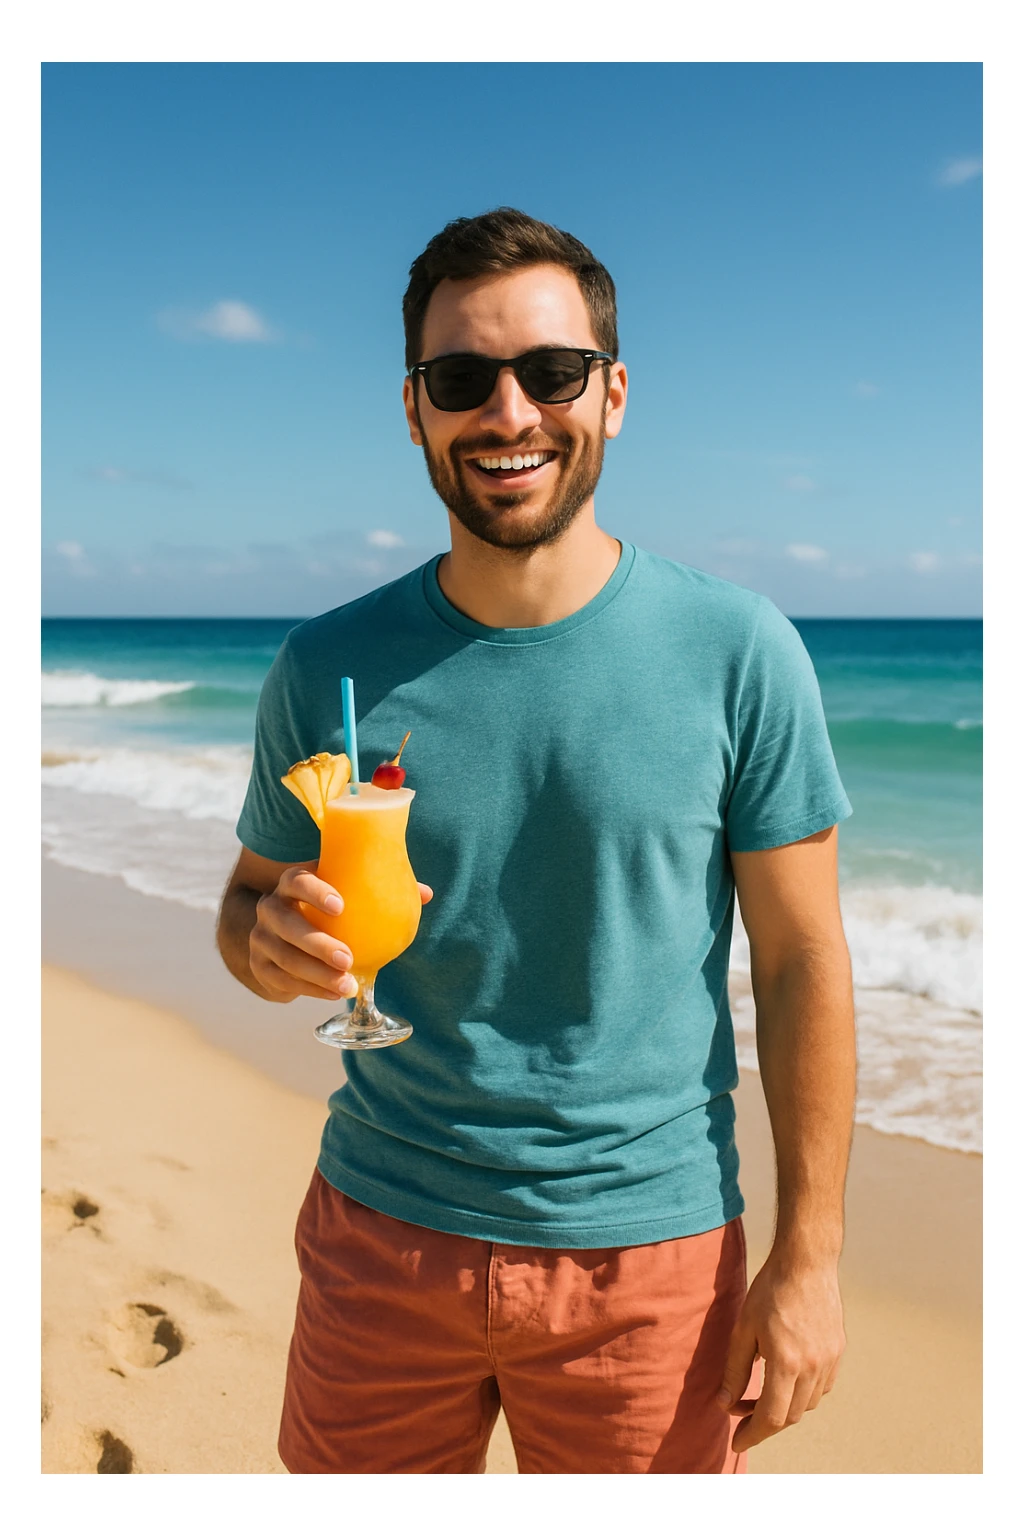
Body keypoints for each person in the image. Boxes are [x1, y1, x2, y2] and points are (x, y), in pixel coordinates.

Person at [216, 207, 856, 1475]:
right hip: (380, 1233)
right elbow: (247, 906)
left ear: (611, 394)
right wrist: (268, 944)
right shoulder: (326, 665)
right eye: (461, 379)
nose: (507, 412)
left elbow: (799, 959)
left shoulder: (739, 652)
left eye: (549, 373)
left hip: (652, 1260)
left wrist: (811, 1259)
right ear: (414, 411)